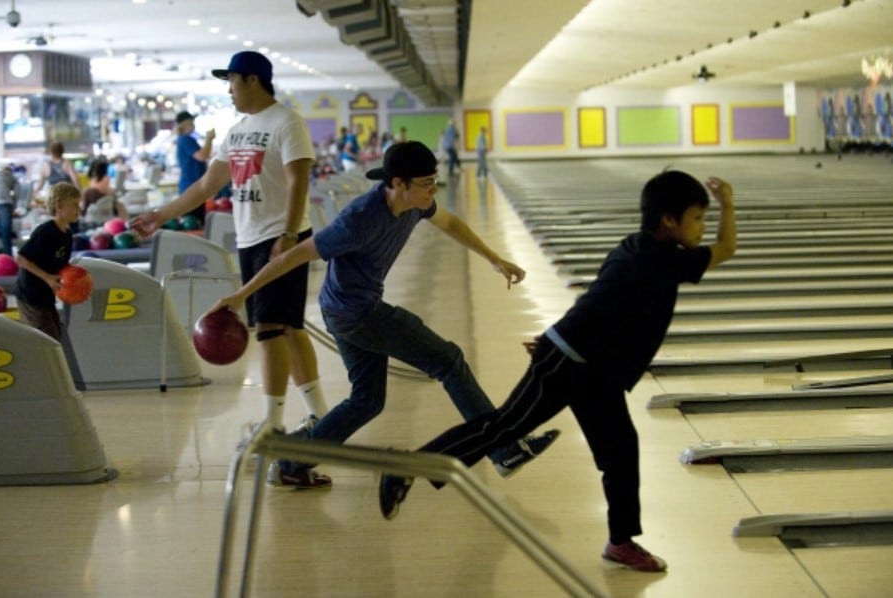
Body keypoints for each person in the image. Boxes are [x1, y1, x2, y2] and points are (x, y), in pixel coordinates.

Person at [378, 171, 737, 573]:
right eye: (697, 218)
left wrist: (554, 337)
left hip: (590, 369)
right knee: (502, 428)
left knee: (620, 449)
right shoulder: (661, 260)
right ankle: (408, 466)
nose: (700, 227)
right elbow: (726, 248)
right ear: (669, 221)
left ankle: (621, 541)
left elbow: (599, 300)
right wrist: (727, 202)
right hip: (568, 363)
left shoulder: (637, 248)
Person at [207, 141, 561, 490]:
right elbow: (291, 256)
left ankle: (291, 465)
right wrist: (240, 296)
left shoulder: (416, 205)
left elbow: (450, 223)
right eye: (425, 183)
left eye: (433, 181)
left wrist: (494, 259)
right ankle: (504, 449)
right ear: (398, 184)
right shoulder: (358, 220)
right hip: (356, 313)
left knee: (367, 401)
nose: (432, 190)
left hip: (346, 312)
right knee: (449, 360)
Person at [130, 51, 330, 486]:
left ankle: (273, 426)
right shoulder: (237, 132)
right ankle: (323, 418)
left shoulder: (286, 123)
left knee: (272, 329)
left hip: (282, 236)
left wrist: (291, 234)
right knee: (290, 330)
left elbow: (299, 182)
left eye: (233, 81)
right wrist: (159, 215)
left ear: (254, 80)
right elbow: (206, 185)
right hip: (250, 239)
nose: (229, 89)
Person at [15, 182, 82, 341]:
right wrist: (47, 278)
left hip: (45, 296)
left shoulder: (67, 234)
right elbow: (21, 258)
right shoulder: (46, 232)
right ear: (59, 206)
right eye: (74, 204)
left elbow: (61, 267)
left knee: (56, 336)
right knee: (48, 342)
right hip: (30, 295)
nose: (78, 209)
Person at [175, 110, 216, 225]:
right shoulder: (185, 140)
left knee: (197, 221)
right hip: (190, 186)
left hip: (195, 186)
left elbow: (204, 155)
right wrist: (209, 139)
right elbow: (202, 156)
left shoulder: (188, 140)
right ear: (183, 125)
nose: (193, 125)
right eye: (190, 123)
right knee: (193, 223)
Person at [82, 159, 128, 224]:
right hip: (105, 207)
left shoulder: (91, 179)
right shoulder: (105, 178)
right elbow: (109, 192)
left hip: (92, 209)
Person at [0, 163, 19, 255]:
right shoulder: (10, 176)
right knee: (6, 233)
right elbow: (18, 191)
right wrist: (14, 205)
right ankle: (7, 258)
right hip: (5, 203)